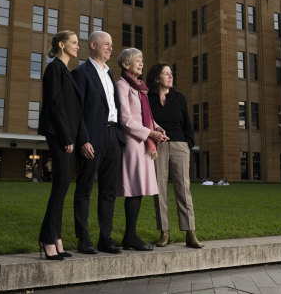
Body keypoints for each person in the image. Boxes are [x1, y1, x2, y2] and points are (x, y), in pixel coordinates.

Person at [72, 31, 125, 254]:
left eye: (111, 44)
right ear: (93, 45)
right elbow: (77, 110)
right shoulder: (80, 73)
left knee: (108, 191)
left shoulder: (110, 72)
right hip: (92, 137)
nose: (110, 48)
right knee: (84, 189)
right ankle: (83, 239)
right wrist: (83, 139)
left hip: (113, 137)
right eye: (106, 44)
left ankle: (106, 238)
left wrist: (120, 137)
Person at [146, 63, 204, 249]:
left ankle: (190, 233)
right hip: (158, 146)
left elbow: (187, 122)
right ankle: (165, 232)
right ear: (157, 78)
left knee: (183, 189)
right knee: (160, 190)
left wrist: (188, 143)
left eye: (171, 73)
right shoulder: (147, 98)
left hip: (179, 145)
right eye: (166, 74)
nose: (170, 77)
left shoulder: (179, 97)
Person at [116, 48, 168, 251]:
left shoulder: (140, 88)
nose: (141, 63)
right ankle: (129, 236)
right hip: (133, 142)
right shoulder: (122, 86)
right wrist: (150, 133)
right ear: (125, 64)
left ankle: (130, 235)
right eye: (136, 60)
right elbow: (126, 120)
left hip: (143, 141)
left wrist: (157, 128)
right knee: (133, 189)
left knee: (138, 190)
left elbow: (145, 116)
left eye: (142, 60)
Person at [37, 30, 82, 261]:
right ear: (62, 45)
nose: (77, 46)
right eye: (74, 43)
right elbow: (54, 105)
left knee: (63, 186)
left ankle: (56, 237)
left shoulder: (65, 70)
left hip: (65, 135)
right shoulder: (54, 68)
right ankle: (47, 238)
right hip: (58, 135)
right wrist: (66, 138)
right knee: (61, 185)